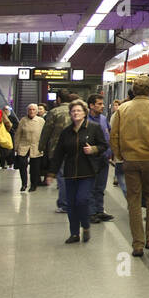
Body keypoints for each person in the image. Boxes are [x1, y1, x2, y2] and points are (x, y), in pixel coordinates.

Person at [110, 74, 149, 256]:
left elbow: (114, 135)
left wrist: (120, 154)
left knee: (134, 200)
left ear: (134, 90)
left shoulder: (123, 109)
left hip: (130, 160)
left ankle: (137, 243)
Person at [49, 101, 108, 244]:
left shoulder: (94, 129)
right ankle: (74, 233)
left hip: (87, 171)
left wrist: (93, 149)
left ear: (84, 113)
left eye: (78, 111)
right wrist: (51, 173)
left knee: (82, 200)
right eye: (73, 111)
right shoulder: (66, 132)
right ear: (70, 114)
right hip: (70, 172)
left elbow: (104, 146)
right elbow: (59, 153)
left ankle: (86, 225)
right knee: (71, 204)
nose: (75, 113)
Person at [40, 93, 79, 212]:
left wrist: (41, 146)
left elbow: (47, 131)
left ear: (58, 99)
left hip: (58, 149)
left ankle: (64, 204)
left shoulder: (55, 112)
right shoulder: (77, 111)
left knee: (62, 176)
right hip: (75, 147)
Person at [86, 94, 114, 224]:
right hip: (92, 159)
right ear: (91, 105)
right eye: (99, 104)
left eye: (102, 104)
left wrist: (110, 152)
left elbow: (109, 132)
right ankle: (91, 212)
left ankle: (100, 210)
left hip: (104, 158)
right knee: (91, 186)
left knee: (101, 186)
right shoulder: (85, 120)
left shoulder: (103, 119)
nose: (102, 106)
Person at [13, 103, 45, 192]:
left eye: (33, 109)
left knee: (35, 168)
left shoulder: (41, 121)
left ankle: (33, 185)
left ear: (37, 111)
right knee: (22, 166)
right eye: (30, 109)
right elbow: (18, 134)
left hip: (36, 146)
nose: (31, 111)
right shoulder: (23, 120)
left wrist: (43, 146)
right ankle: (24, 184)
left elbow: (44, 135)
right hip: (23, 146)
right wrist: (16, 147)